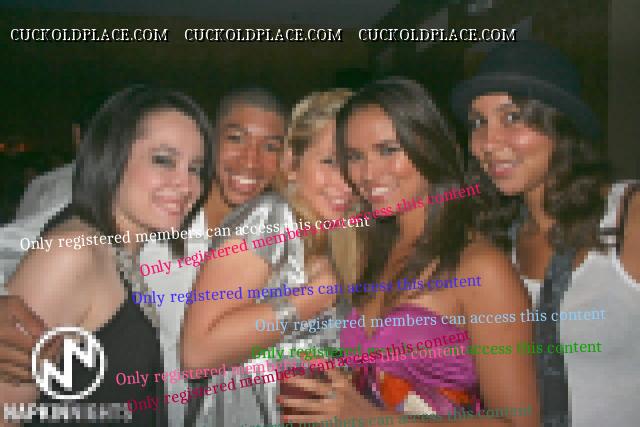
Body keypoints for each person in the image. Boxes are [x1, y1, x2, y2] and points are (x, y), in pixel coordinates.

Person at [277, 78, 540, 426]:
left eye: (388, 150)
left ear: (429, 146)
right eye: (354, 157)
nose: (368, 173)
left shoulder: (480, 267)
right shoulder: (366, 251)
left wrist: (375, 420)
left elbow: (519, 423)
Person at [450, 41, 640, 426]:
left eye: (512, 117)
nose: (488, 143)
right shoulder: (496, 242)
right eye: (478, 123)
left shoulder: (627, 215)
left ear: (560, 125)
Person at [0, 85, 215, 426]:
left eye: (196, 169)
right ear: (112, 156)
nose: (186, 184)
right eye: (163, 160)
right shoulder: (74, 253)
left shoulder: (120, 248)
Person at [180, 88, 364, 426]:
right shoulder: (270, 217)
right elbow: (197, 353)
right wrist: (309, 299)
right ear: (292, 164)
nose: (346, 182)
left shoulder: (334, 234)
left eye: (353, 162)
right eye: (329, 162)